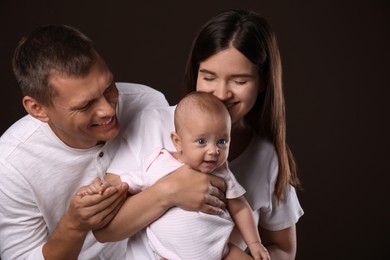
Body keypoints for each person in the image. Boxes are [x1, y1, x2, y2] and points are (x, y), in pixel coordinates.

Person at [0, 24, 225, 260]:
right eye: (85, 105)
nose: (108, 110)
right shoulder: (10, 166)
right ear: (37, 109)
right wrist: (73, 226)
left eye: (109, 88)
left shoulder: (149, 104)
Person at [94, 9, 304, 260]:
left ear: (262, 83)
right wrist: (169, 191)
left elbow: (283, 248)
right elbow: (104, 229)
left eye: (239, 81)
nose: (221, 93)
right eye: (209, 77)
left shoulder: (267, 156)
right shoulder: (153, 124)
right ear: (196, 75)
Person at [86, 92, 269, 259]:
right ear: (177, 141)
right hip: (171, 256)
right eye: (201, 141)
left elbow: (240, 208)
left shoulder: (222, 172)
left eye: (222, 141)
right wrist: (101, 188)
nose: (213, 151)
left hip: (221, 252)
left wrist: (254, 243)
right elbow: (123, 184)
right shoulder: (158, 163)